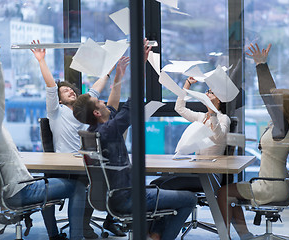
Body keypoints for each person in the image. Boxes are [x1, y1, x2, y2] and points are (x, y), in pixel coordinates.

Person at [0, 35, 86, 240]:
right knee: (78, 187)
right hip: (20, 191)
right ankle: (74, 237)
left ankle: (54, 236)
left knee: (48, 182)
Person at [72, 47, 197, 240]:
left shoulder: (95, 131)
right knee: (189, 199)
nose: (104, 102)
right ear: (97, 113)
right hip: (127, 197)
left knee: (162, 186)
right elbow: (132, 104)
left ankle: (152, 233)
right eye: (100, 103)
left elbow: (114, 107)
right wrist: (141, 65)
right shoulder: (109, 131)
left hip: (113, 197)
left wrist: (119, 76)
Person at [31, 41, 129, 238]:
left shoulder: (85, 110)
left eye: (71, 89)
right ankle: (55, 234)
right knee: (57, 191)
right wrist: (42, 61)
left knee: (103, 179)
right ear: (59, 100)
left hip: (86, 163)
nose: (71, 91)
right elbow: (51, 86)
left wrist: (110, 69)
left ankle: (92, 224)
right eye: (65, 91)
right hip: (63, 165)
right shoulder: (56, 112)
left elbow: (96, 88)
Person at [217, 43, 289, 240]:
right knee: (232, 194)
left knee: (222, 193)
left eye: (277, 100)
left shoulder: (282, 125)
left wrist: (261, 65)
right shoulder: (284, 126)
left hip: (270, 187)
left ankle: (225, 237)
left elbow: (267, 95)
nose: (273, 101)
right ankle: (245, 236)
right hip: (278, 184)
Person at [151, 77, 230, 191]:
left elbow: (218, 136)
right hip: (196, 169)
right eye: (207, 91)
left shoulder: (224, 118)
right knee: (156, 182)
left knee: (167, 185)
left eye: (211, 92)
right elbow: (179, 108)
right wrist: (187, 85)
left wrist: (213, 113)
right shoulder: (202, 117)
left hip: (210, 175)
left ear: (219, 99)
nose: (207, 94)